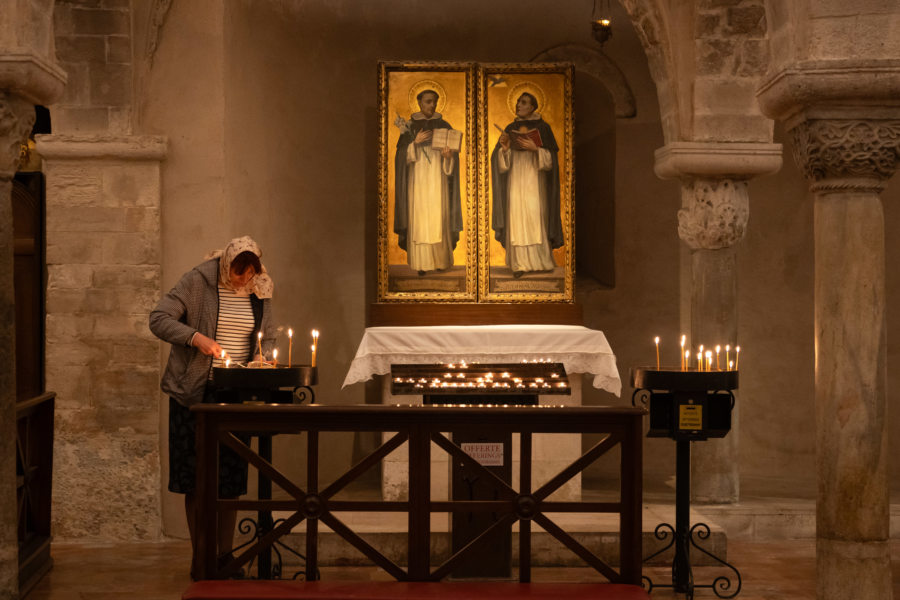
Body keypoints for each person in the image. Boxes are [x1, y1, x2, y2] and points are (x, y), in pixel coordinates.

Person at [149, 235, 275, 578]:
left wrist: (262, 362)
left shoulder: (260, 288)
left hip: (237, 394)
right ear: (226, 264)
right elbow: (158, 318)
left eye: (249, 273)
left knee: (230, 480)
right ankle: (201, 557)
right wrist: (196, 338)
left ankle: (224, 557)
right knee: (196, 479)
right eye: (237, 272)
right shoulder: (199, 280)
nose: (242, 279)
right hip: (194, 395)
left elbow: (268, 335)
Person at [490, 91, 564, 278]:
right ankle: (518, 264)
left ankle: (540, 261)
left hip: (535, 183)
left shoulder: (543, 128)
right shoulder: (510, 127)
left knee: (534, 219)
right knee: (516, 220)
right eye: (517, 102)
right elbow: (499, 162)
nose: (519, 105)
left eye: (523, 103)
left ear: (532, 107)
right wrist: (505, 150)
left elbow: (551, 162)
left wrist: (536, 149)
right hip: (515, 182)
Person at [393, 88, 463, 275]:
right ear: (419, 103)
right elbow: (400, 157)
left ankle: (440, 261)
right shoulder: (409, 126)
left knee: (438, 217)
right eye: (428, 101)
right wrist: (414, 143)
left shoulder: (445, 125)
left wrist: (448, 157)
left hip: (438, 178)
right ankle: (422, 264)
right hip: (418, 180)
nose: (432, 105)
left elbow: (452, 160)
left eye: (434, 102)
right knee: (420, 219)